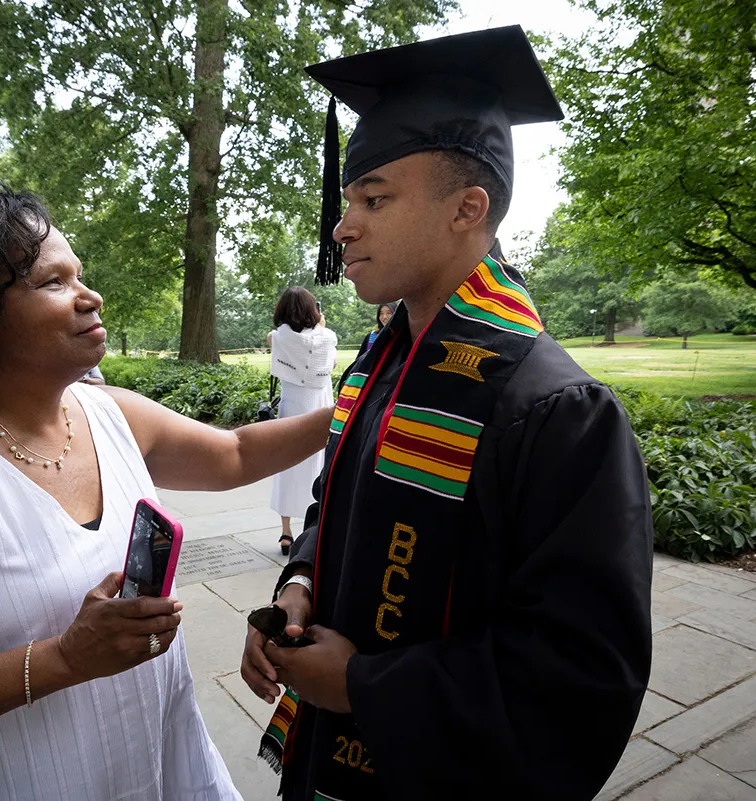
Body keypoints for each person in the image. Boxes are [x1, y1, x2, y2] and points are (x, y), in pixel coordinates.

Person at [0, 183, 336, 801]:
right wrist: (64, 659)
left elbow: (239, 453)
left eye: (79, 273)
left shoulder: (106, 411)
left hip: (170, 768)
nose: (92, 296)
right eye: (53, 282)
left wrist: (365, 404)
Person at [239, 27, 653, 801]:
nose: (342, 225)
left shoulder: (558, 412)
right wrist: (299, 583)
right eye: (348, 199)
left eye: (374, 198)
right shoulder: (381, 362)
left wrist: (365, 686)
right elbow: (337, 506)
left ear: (468, 208)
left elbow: (580, 679)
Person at [266, 287, 338, 555]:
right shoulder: (328, 338)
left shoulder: (277, 338)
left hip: (292, 406)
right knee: (318, 466)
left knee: (287, 465)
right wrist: (321, 326)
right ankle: (314, 528)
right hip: (319, 406)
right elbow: (329, 368)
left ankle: (286, 532)